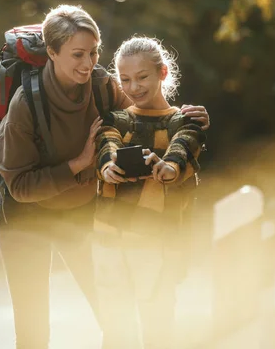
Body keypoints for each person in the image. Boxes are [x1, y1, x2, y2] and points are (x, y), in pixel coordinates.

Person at [0, 5, 209, 348]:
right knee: (33, 332)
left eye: (93, 52)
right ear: (52, 52)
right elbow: (18, 186)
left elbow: (145, 115)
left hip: (81, 211)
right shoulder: (26, 104)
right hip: (25, 217)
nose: (88, 62)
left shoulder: (100, 85)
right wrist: (80, 163)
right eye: (77, 54)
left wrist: (186, 120)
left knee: (115, 318)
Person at [92, 36, 207, 348]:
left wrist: (169, 168)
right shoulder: (116, 119)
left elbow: (185, 144)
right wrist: (107, 166)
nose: (134, 87)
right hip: (109, 239)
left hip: (158, 241)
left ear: (162, 73)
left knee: (158, 327)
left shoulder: (183, 120)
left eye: (142, 77)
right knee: (115, 330)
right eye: (125, 79)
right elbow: (107, 142)